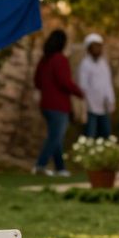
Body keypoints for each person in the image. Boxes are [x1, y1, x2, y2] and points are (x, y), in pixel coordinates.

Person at [33, 29, 83, 176]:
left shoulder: (44, 60)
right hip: (58, 105)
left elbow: (37, 81)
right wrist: (80, 93)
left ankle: (60, 168)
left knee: (56, 138)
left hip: (46, 105)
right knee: (55, 137)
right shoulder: (60, 60)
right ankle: (40, 165)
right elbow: (64, 82)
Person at [76, 33, 116, 139]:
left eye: (98, 46)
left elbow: (107, 84)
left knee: (106, 133)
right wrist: (87, 102)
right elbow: (83, 86)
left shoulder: (103, 63)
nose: (97, 49)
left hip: (104, 104)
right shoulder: (85, 64)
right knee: (90, 134)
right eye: (94, 47)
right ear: (89, 49)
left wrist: (111, 100)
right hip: (90, 106)